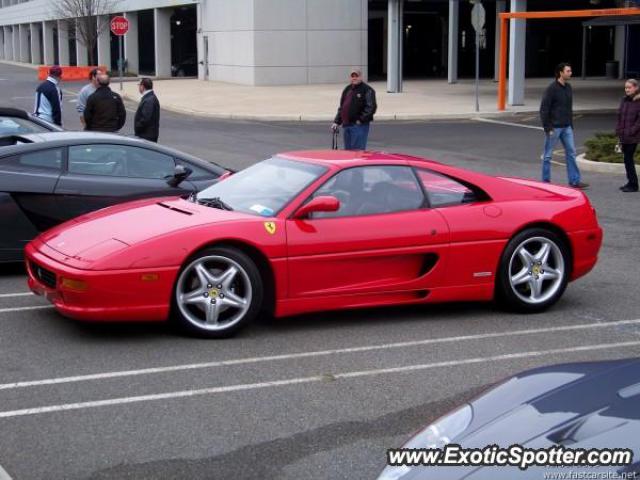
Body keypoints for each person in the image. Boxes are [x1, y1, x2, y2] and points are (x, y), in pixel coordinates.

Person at [540, 62, 588, 189]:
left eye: (570, 71)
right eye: (568, 71)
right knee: (548, 155)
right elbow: (544, 109)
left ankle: (574, 181)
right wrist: (548, 128)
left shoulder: (568, 87)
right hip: (554, 128)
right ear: (560, 73)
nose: (570, 73)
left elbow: (568, 108)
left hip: (567, 127)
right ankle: (545, 182)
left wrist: (570, 124)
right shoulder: (551, 89)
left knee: (571, 152)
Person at [331, 67, 377, 150]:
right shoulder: (347, 89)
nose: (354, 78)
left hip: (358, 126)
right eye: (352, 76)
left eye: (357, 76)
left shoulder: (367, 90)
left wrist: (360, 120)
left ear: (361, 77)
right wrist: (336, 122)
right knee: (348, 152)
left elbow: (371, 107)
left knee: (357, 152)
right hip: (346, 126)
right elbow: (342, 107)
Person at [615, 78, 640, 193]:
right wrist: (619, 130)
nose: (627, 89)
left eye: (629, 87)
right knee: (626, 160)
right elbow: (620, 116)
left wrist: (630, 131)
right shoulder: (624, 100)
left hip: (633, 136)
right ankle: (630, 182)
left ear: (636, 88)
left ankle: (634, 184)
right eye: (626, 87)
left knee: (628, 159)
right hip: (623, 135)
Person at [134, 78, 160, 142]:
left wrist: (138, 128)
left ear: (142, 86)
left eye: (139, 85)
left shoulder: (149, 100)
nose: (138, 87)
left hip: (146, 136)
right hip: (147, 134)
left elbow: (145, 118)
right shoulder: (149, 97)